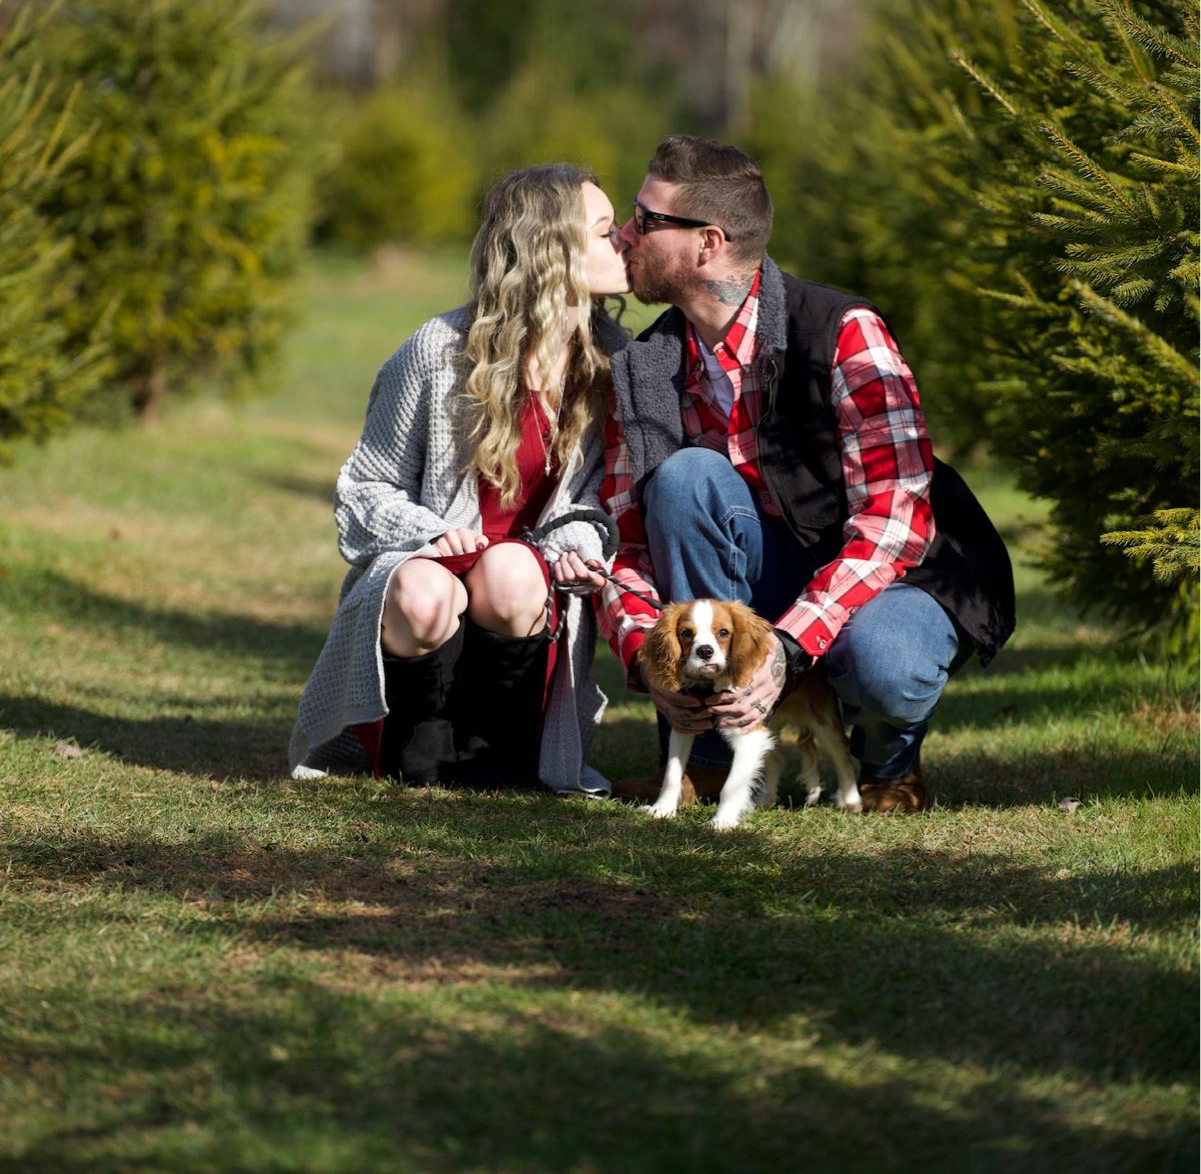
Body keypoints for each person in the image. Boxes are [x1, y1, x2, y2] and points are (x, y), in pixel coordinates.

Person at [577, 135, 1015, 814]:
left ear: (707, 243)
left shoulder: (844, 332)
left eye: (645, 220)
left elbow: (892, 525)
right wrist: (643, 652)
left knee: (883, 660)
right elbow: (626, 543)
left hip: (897, 579)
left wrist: (787, 645)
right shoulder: (645, 365)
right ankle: (711, 758)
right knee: (686, 479)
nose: (625, 236)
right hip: (764, 578)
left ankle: (887, 764)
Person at [287, 164, 630, 794]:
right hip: (431, 587)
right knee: (422, 592)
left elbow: (602, 500)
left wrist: (578, 545)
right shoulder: (438, 350)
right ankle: (418, 734)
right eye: (606, 231)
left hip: (525, 594)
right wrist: (430, 534)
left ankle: (494, 744)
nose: (626, 239)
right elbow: (366, 486)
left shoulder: (616, 364)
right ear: (552, 251)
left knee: (511, 572)